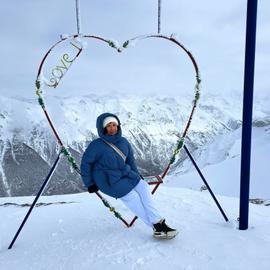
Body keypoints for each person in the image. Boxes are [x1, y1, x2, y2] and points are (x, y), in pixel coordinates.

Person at [80, 112, 178, 239]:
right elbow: (85, 164)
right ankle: (155, 227)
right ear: (102, 128)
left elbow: (130, 161)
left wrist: (136, 175)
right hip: (107, 180)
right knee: (132, 197)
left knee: (142, 186)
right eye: (109, 125)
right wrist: (89, 183)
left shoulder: (124, 142)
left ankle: (158, 221)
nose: (112, 128)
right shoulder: (96, 145)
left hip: (124, 173)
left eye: (114, 125)